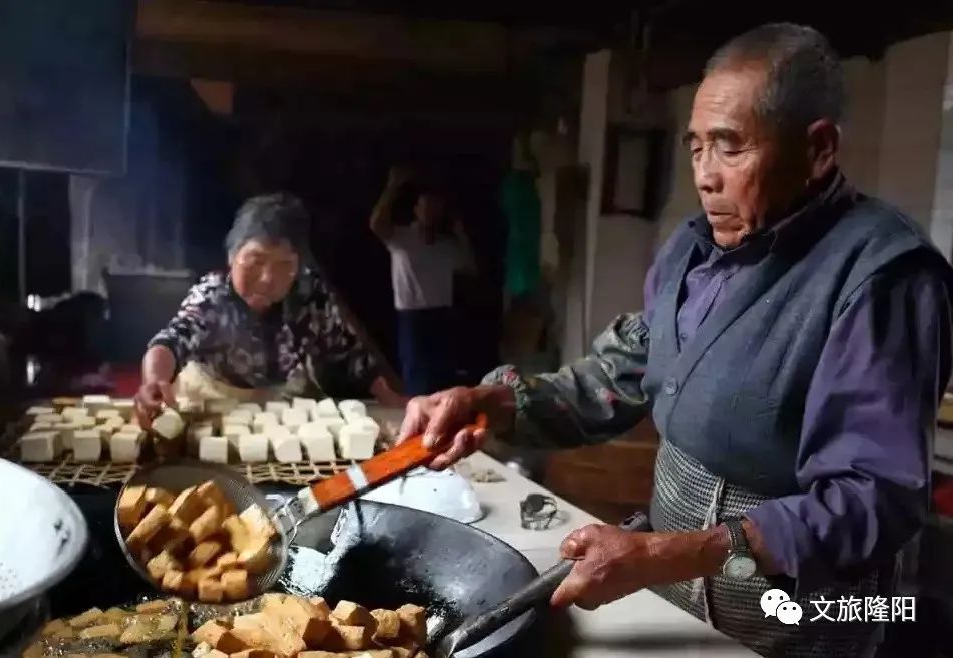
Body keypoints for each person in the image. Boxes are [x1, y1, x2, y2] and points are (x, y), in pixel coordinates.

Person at [399, 23, 953, 658]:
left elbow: (872, 500)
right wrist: (489, 402)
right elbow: (623, 371)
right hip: (677, 603)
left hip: (796, 623)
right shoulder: (695, 251)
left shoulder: (881, 279)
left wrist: (669, 553)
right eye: (696, 149)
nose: (706, 177)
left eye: (730, 148)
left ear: (819, 148)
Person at [136, 193, 406, 424]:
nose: (267, 278)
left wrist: (391, 399)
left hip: (279, 402)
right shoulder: (213, 295)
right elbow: (172, 339)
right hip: (210, 397)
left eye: (284, 265)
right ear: (232, 258)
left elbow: (349, 353)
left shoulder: (310, 295)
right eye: (255, 261)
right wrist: (154, 380)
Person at [370, 167, 475, 396]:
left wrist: (461, 233)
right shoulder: (401, 238)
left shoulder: (446, 246)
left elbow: (469, 267)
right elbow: (376, 224)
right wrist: (392, 187)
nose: (430, 211)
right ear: (416, 210)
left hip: (441, 317)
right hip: (413, 319)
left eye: (435, 207)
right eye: (425, 206)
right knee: (417, 379)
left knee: (442, 379)